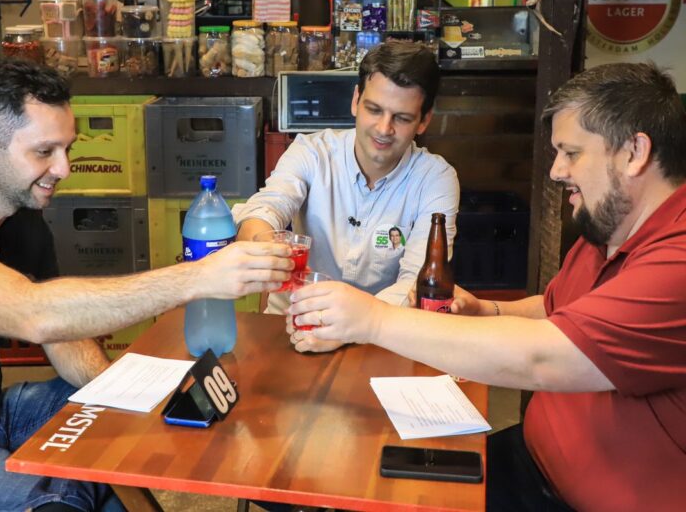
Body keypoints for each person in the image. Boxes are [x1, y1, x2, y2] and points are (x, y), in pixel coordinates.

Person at [289, 62, 686, 511]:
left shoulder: (677, 260)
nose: (556, 171)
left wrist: (372, 319)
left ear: (635, 152)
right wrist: (491, 311)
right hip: (529, 463)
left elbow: (546, 355)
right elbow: (556, 309)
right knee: (357, 480)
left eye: (571, 153)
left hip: (572, 501)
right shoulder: (611, 228)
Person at [0, 61, 292, 512]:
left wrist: (119, 397)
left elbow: (65, 335)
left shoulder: (23, 220)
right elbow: (34, 314)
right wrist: (198, 277)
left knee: (133, 425)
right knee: (65, 498)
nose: (63, 168)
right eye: (44, 151)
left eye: (67, 148)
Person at [233, 41, 460, 353]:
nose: (384, 128)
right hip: (292, 328)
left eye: (402, 118)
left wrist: (352, 326)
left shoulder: (435, 179)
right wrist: (262, 241)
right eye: (374, 109)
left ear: (423, 121)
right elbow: (267, 207)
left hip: (380, 341)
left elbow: (417, 285)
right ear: (356, 101)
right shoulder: (311, 152)